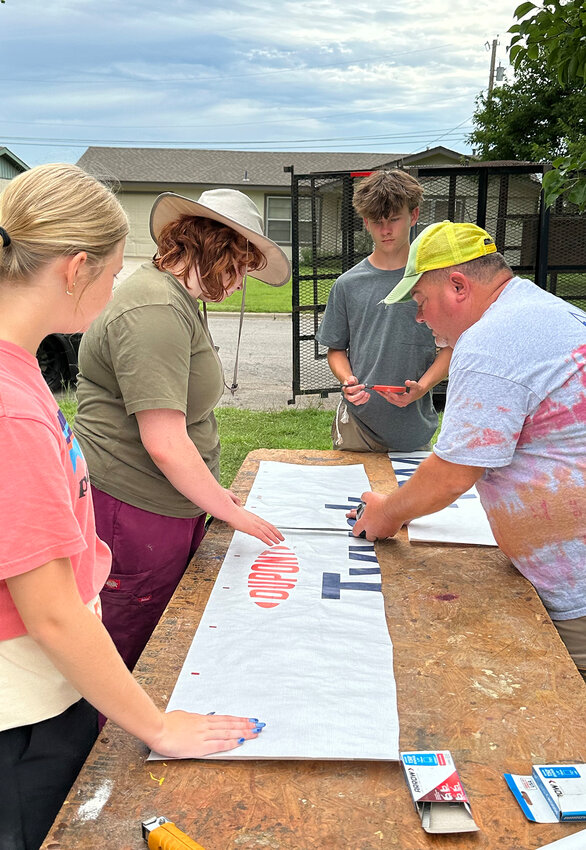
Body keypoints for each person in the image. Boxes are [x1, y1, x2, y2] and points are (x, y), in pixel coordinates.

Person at [0, 164, 264, 850]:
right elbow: (51, 610)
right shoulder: (13, 411)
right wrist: (156, 725)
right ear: (76, 268)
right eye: (114, 272)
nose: (119, 287)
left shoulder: (20, 369)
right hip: (22, 708)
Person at [352, 219, 586, 679]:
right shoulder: (543, 311)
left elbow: (453, 473)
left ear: (457, 285)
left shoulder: (491, 341)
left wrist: (388, 513)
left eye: (420, 301)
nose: (419, 318)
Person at [74, 189, 291, 672]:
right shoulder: (154, 309)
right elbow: (166, 442)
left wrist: (211, 495)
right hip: (134, 507)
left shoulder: (177, 298)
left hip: (167, 501)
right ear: (215, 251)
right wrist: (233, 513)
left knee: (163, 628)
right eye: (240, 268)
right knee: (129, 641)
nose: (240, 284)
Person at [315, 169, 452, 453]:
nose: (386, 230)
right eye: (377, 222)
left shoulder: (433, 281)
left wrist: (423, 387)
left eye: (394, 219)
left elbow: (451, 347)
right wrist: (347, 380)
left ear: (413, 216)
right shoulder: (347, 284)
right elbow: (336, 349)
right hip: (356, 427)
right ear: (366, 223)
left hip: (415, 430)